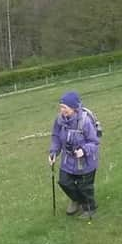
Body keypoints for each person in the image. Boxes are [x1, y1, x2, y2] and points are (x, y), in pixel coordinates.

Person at [48, 91, 100, 219]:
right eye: (61, 107)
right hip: (68, 160)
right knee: (64, 182)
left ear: (74, 108)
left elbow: (94, 142)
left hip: (85, 162)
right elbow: (56, 137)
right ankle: (76, 200)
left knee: (85, 187)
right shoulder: (59, 120)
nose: (62, 110)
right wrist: (54, 152)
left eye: (65, 107)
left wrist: (83, 150)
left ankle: (89, 208)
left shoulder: (85, 122)